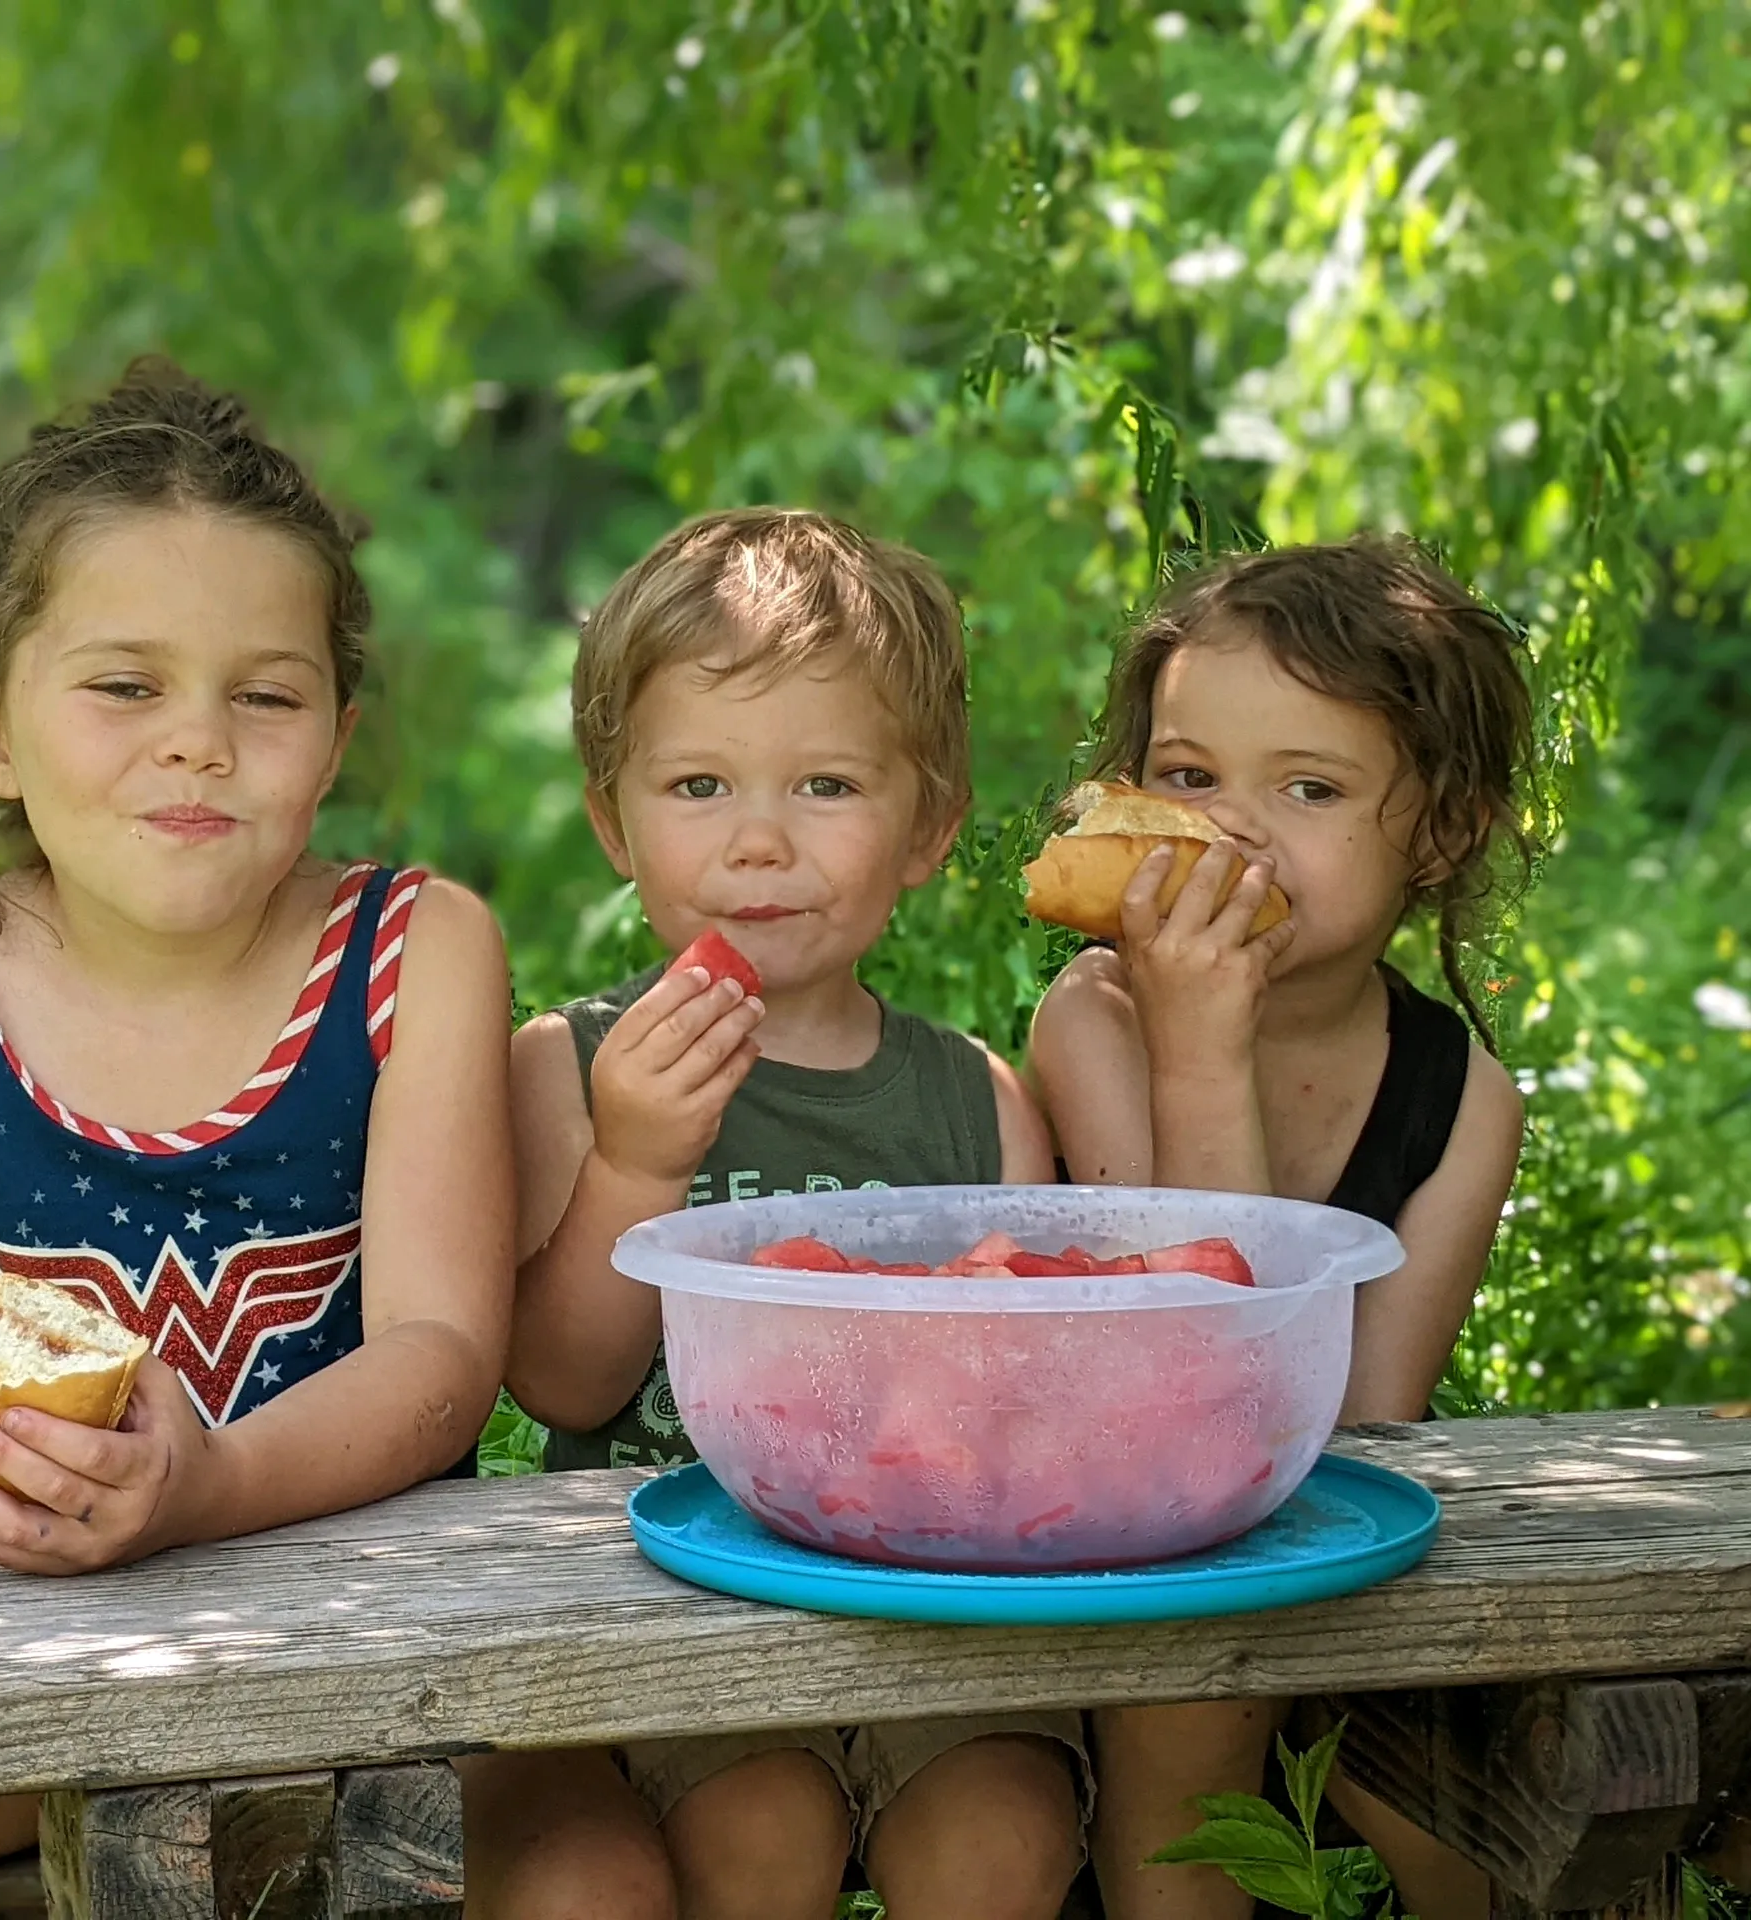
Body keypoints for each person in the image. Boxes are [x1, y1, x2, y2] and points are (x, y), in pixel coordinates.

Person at [0, 361, 515, 1917]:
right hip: (43, 1667)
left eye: (263, 695)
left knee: (597, 1885)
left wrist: (201, 1488)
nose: (198, 741)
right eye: (125, 685)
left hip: (395, 1659)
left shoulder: (417, 952)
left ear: (334, 737)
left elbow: (442, 1350)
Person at [468, 508, 1087, 1920]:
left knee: (998, 1832)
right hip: (682, 1606)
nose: (759, 842)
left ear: (927, 828)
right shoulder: (567, 1069)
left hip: (938, 1601)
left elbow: (1036, 1393)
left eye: (823, 785)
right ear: (612, 822)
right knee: (766, 1833)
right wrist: (635, 1164)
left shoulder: (979, 1101)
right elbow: (560, 1380)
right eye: (697, 786)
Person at [1028, 536, 1533, 1920]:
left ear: (1442, 832)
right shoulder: (1097, 1021)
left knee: (1477, 1819)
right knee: (1189, 1714)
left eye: (1308, 787)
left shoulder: (1463, 1101)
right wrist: (1198, 1049)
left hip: (1329, 1535)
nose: (1231, 829)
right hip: (1110, 1531)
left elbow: (1360, 1420)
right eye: (1188, 779)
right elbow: (1197, 1387)